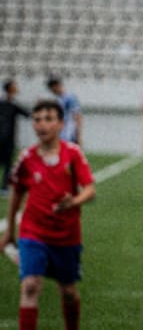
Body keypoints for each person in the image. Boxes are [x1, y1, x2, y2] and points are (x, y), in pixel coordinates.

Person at [3, 99, 95, 330]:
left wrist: (73, 202)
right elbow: (17, 193)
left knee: (68, 292)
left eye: (48, 119)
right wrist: (9, 232)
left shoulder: (73, 154)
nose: (42, 125)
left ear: (61, 124)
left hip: (66, 236)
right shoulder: (26, 158)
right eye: (37, 119)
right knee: (31, 285)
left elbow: (90, 190)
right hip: (33, 232)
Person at [0, 80, 30, 196]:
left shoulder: (13, 105)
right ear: (10, 89)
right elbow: (28, 114)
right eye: (14, 86)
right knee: (8, 164)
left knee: (8, 164)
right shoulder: (10, 105)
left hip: (8, 140)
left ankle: (4, 187)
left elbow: (27, 114)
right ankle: (4, 188)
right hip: (6, 139)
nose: (17, 88)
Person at [45, 77, 82, 147]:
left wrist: (78, 134)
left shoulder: (70, 97)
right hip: (60, 130)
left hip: (69, 131)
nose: (52, 91)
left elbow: (77, 115)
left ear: (56, 86)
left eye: (52, 88)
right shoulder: (57, 99)